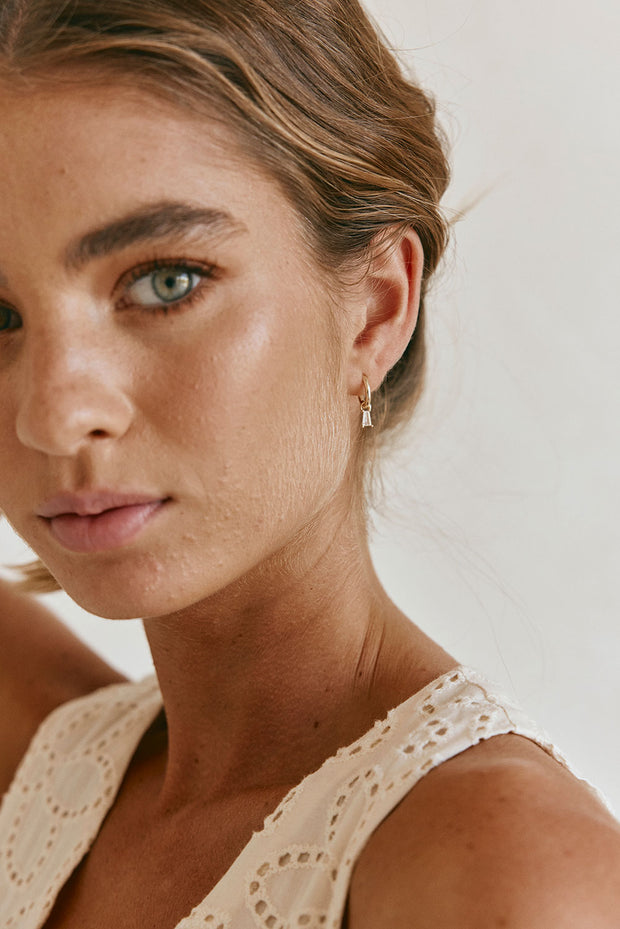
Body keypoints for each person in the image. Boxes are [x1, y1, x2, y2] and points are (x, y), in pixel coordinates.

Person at [0, 0, 619, 926]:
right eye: (0, 316)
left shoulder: (501, 871)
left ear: (374, 307)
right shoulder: (52, 764)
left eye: (166, 282)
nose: (54, 416)